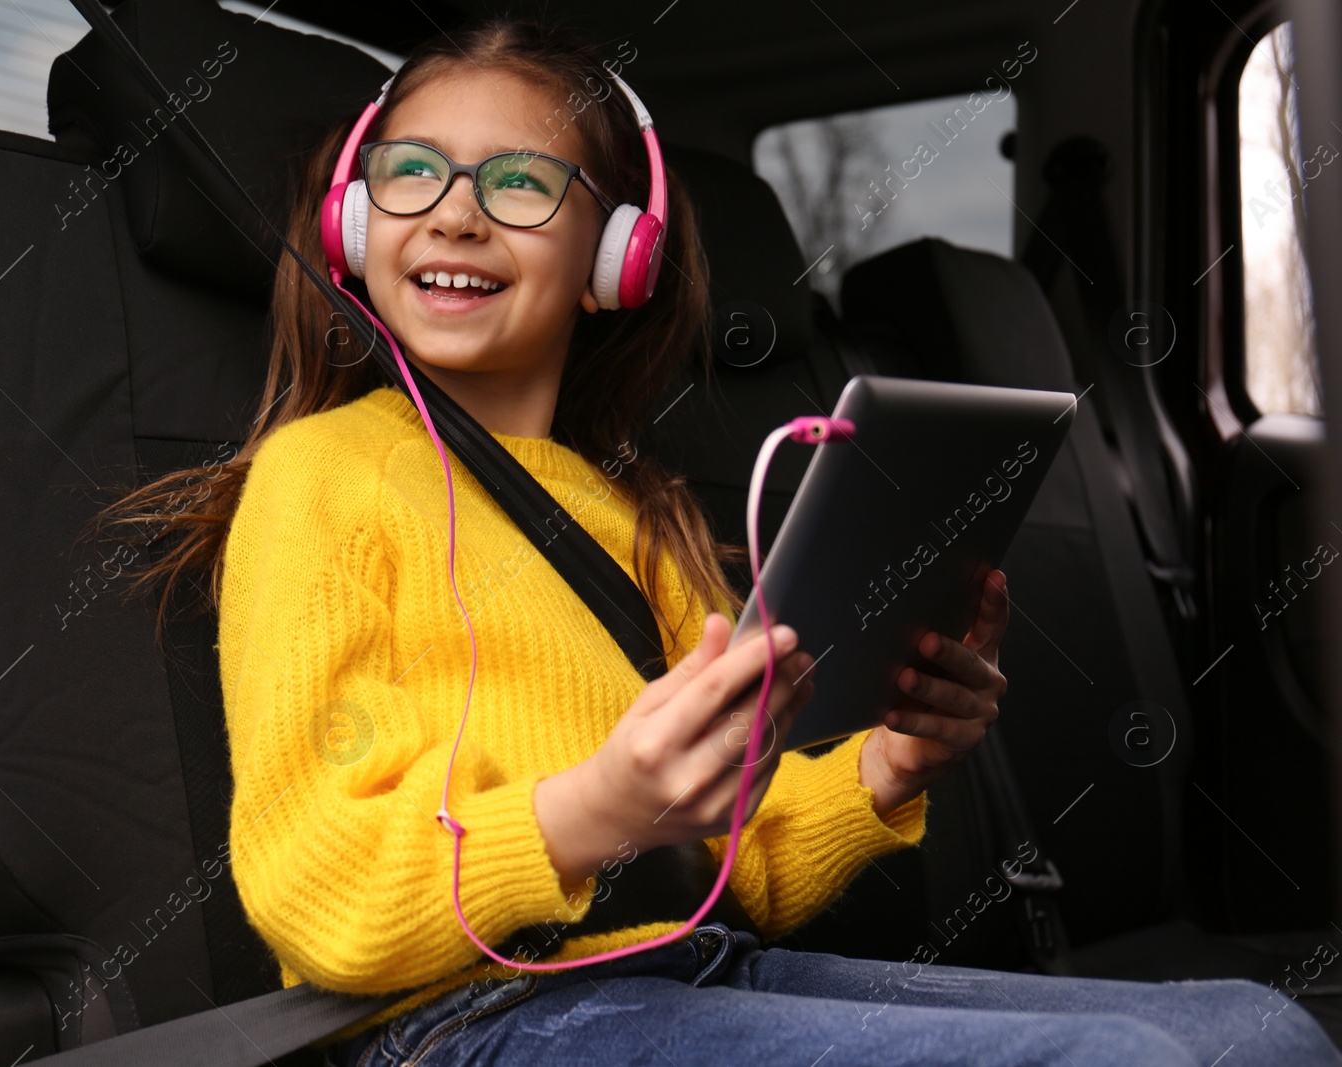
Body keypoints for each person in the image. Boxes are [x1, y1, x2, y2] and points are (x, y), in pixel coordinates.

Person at [98, 16, 1340, 1067]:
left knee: (1257, 1031)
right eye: (413, 173)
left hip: (688, 968)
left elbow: (740, 865)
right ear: (357, 228)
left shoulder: (643, 517)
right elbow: (314, 888)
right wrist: (590, 810)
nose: (458, 214)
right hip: (465, 1020)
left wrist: (889, 764)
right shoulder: (323, 477)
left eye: (521, 183)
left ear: (616, 258)